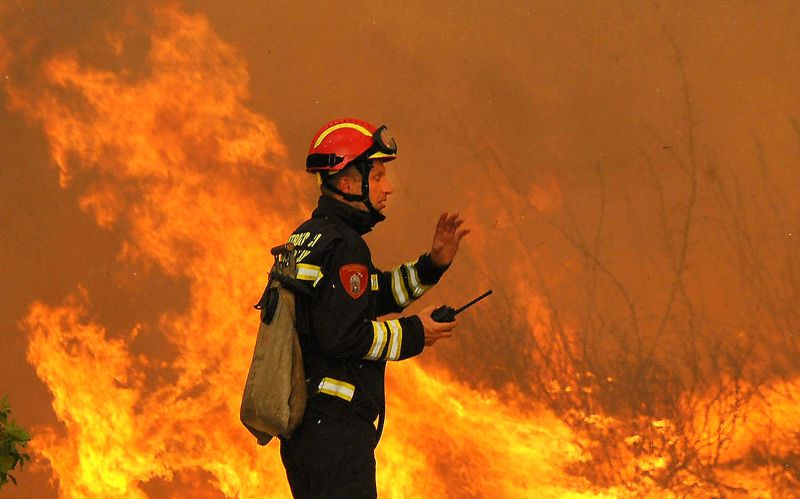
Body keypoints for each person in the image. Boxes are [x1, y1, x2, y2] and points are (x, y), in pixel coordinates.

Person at [279, 118, 469, 498]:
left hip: (307, 430)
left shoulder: (309, 237)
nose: (389, 187)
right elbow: (344, 334)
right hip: (335, 431)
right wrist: (417, 333)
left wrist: (432, 265)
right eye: (378, 176)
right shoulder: (345, 245)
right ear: (348, 182)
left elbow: (366, 296)